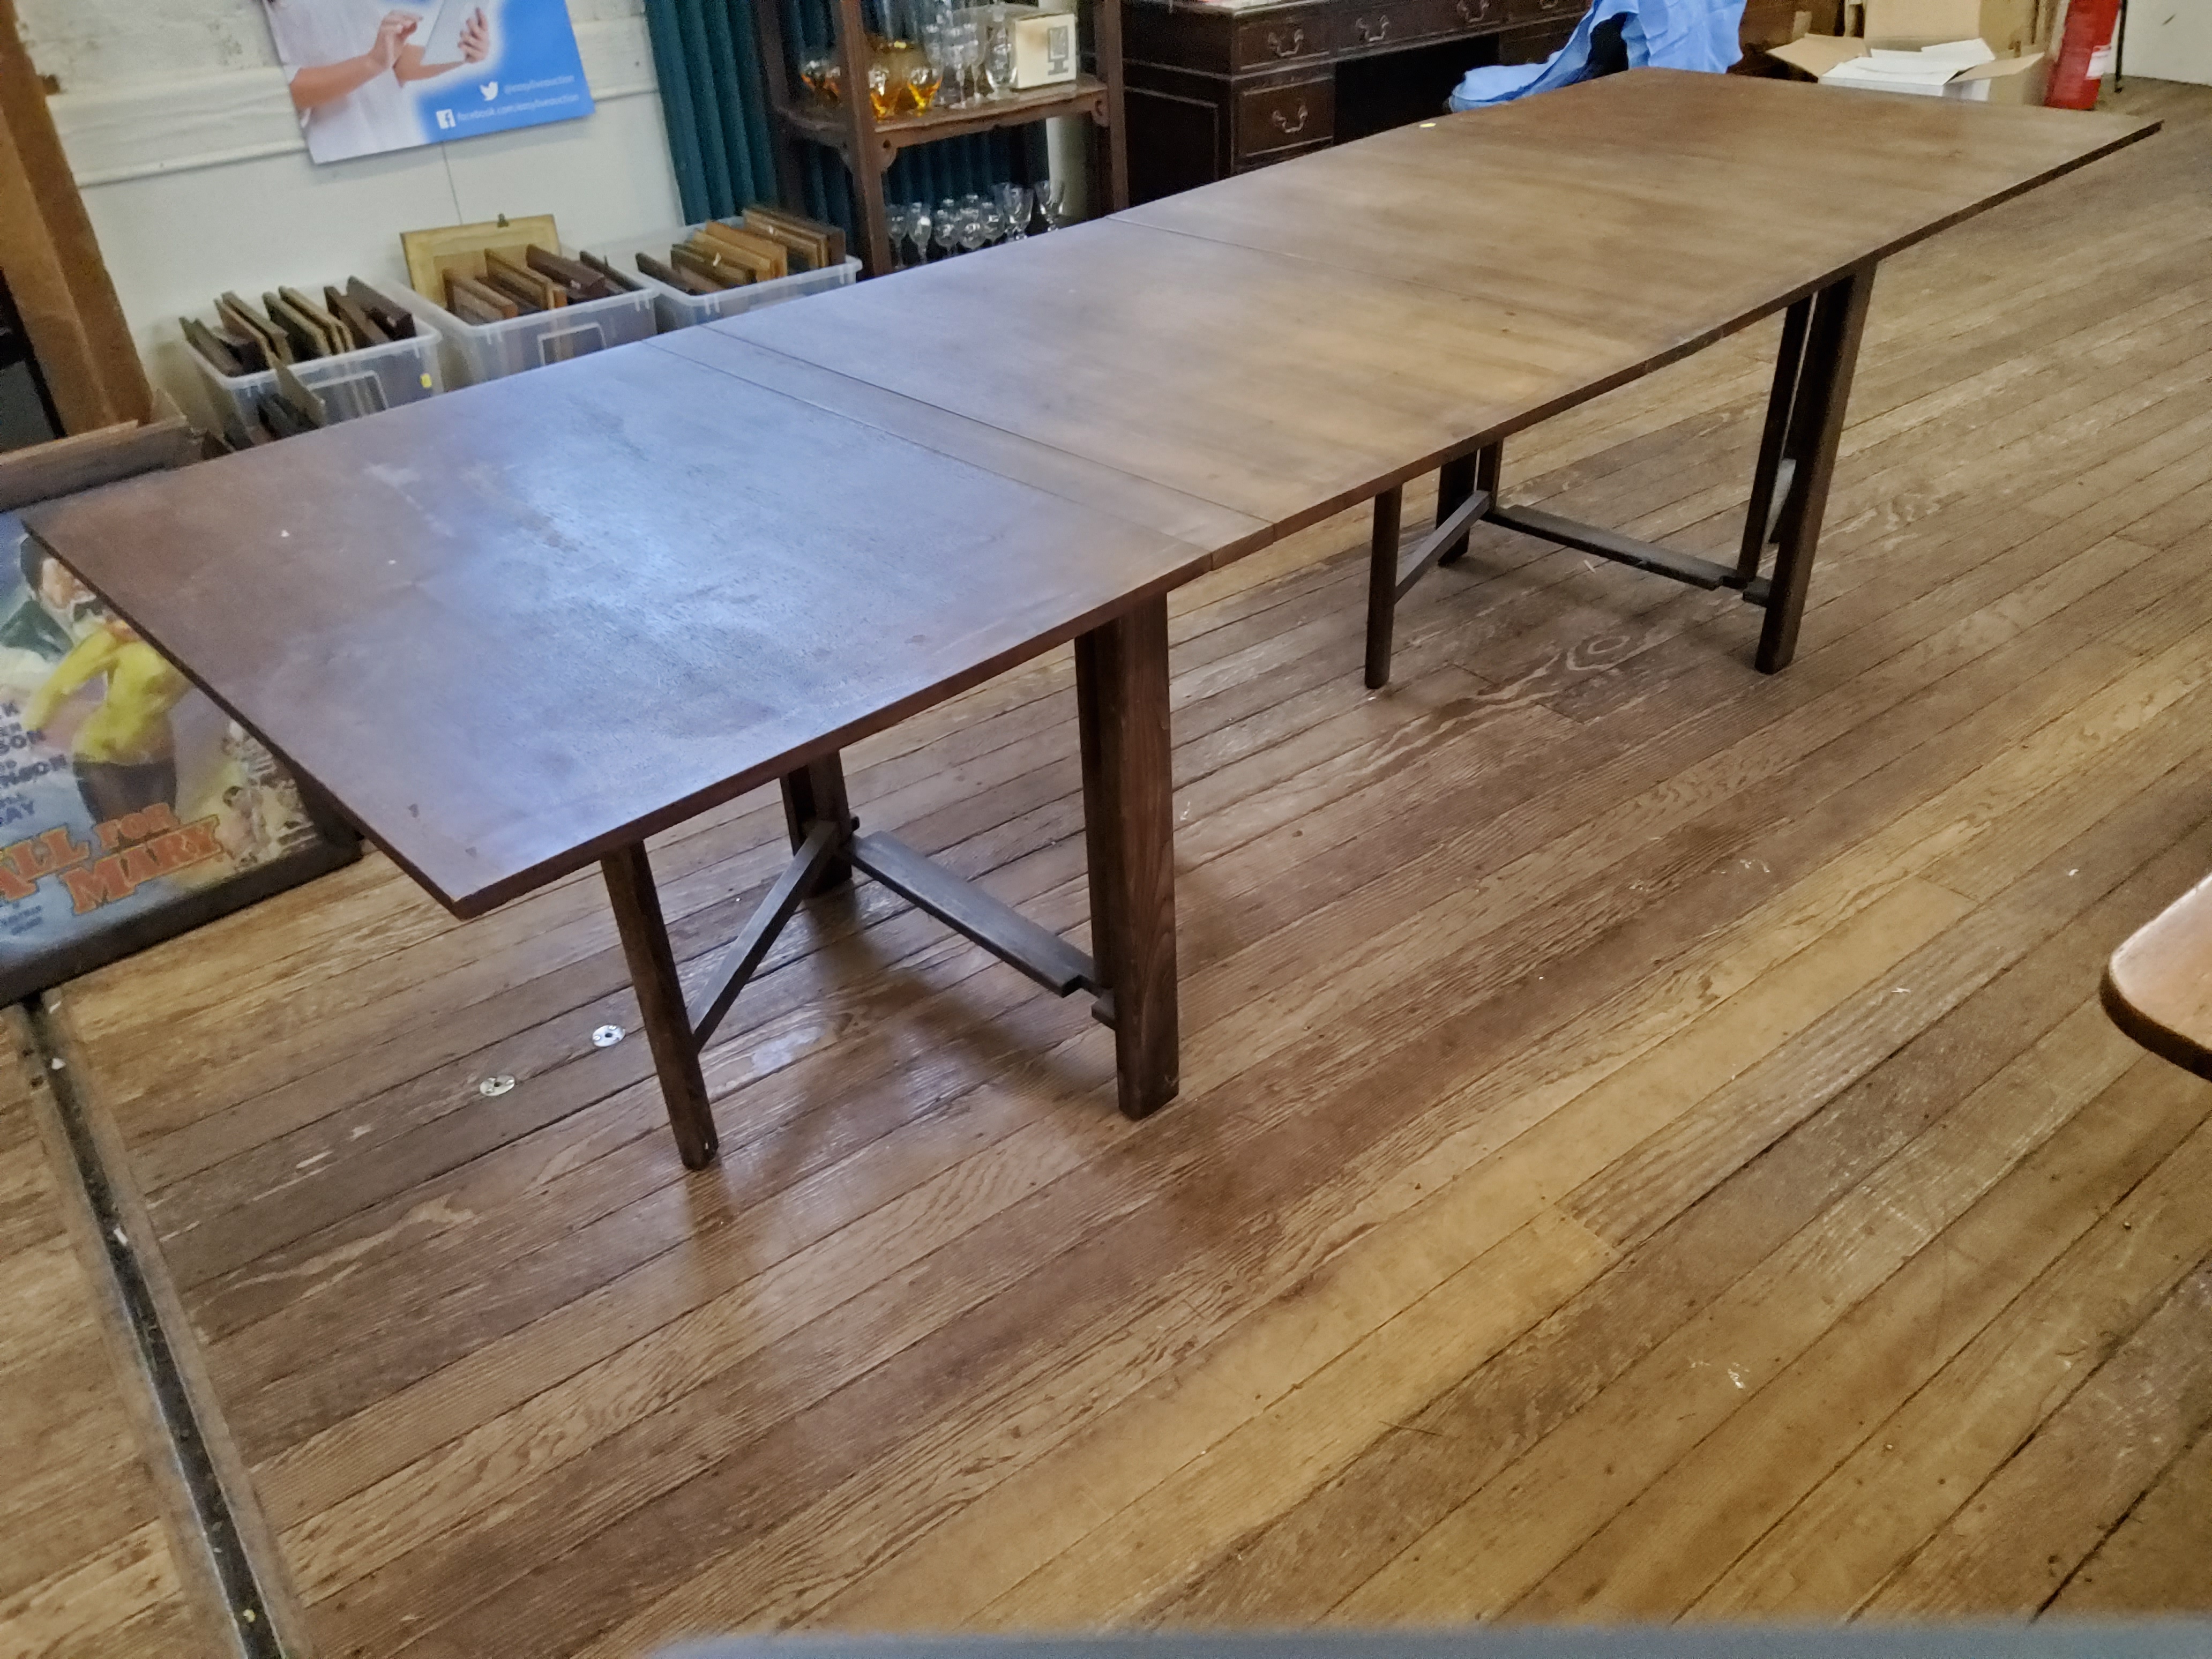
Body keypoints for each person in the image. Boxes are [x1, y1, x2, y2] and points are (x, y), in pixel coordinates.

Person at [263, 0, 493, 162]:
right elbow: (285, 91)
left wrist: (459, 52)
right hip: (335, 154)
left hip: (395, 139)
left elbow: (394, 62)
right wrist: (373, 63)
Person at [22, 618, 191, 825]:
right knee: (130, 846)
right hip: (102, 758)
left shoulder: (193, 638)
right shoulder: (119, 637)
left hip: (158, 756)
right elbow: (59, 685)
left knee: (166, 843)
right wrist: (29, 732)